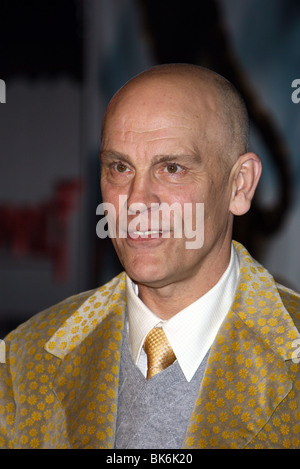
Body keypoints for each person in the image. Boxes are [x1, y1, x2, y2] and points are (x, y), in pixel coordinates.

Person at [1, 64, 300, 450]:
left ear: (239, 185)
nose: (136, 201)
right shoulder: (25, 360)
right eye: (120, 167)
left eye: (172, 168)